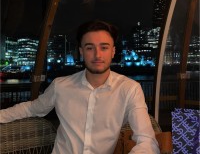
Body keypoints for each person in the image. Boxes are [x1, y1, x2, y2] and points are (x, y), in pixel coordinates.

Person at [0, 20, 160, 153]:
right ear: (81, 51)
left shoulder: (129, 89)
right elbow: (32, 108)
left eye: (104, 47)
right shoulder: (60, 86)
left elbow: (146, 140)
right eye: (90, 48)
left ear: (113, 51)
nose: (97, 55)